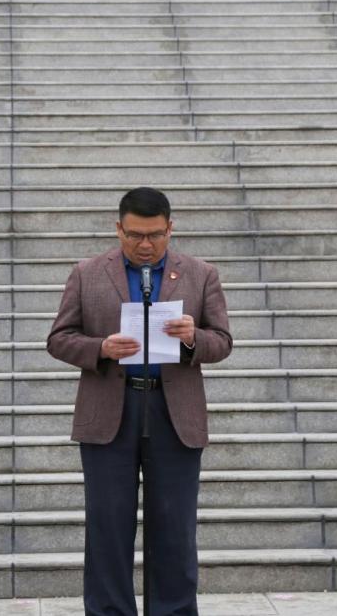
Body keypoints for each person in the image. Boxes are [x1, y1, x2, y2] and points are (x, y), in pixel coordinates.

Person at [47, 187, 233, 616]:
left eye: (154, 235)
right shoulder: (87, 273)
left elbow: (223, 341)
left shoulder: (201, 274)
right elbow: (58, 338)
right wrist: (100, 348)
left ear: (170, 229)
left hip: (173, 412)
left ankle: (174, 610)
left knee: (174, 525)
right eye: (134, 235)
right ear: (118, 229)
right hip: (110, 412)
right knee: (108, 526)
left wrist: (193, 338)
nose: (145, 245)